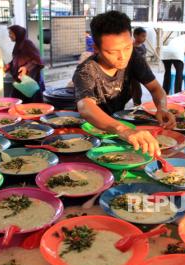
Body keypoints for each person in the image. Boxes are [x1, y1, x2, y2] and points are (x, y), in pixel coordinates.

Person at [73, 11, 176, 157]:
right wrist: (124, 130)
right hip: (90, 134)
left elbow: (155, 88)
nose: (123, 56)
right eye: (112, 52)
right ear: (96, 48)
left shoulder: (133, 57)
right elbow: (85, 107)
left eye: (127, 47)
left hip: (119, 128)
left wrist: (162, 107)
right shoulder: (86, 70)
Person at [6, 25, 44, 103]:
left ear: (18, 34)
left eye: (11, 33)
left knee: (30, 103)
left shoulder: (27, 44)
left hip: (28, 81)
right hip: (20, 81)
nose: (9, 36)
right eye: (9, 33)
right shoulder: (18, 44)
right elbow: (16, 60)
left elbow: (37, 60)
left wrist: (26, 68)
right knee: (18, 102)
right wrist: (8, 66)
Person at [131, 27, 147, 105]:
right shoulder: (131, 47)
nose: (144, 38)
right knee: (137, 90)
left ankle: (137, 103)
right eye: (143, 36)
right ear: (135, 36)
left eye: (145, 36)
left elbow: (144, 58)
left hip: (142, 71)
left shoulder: (143, 46)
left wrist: (147, 68)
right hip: (133, 72)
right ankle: (137, 105)